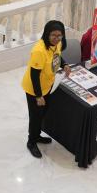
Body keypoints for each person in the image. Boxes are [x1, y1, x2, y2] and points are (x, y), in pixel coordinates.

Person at [22, 19, 69, 158]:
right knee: (35, 116)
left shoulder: (57, 44)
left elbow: (57, 57)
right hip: (34, 89)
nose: (57, 39)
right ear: (47, 34)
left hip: (47, 85)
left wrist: (64, 64)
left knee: (43, 112)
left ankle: (36, 136)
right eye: (53, 35)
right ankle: (31, 142)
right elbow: (34, 75)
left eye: (59, 35)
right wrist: (38, 96)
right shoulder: (39, 50)